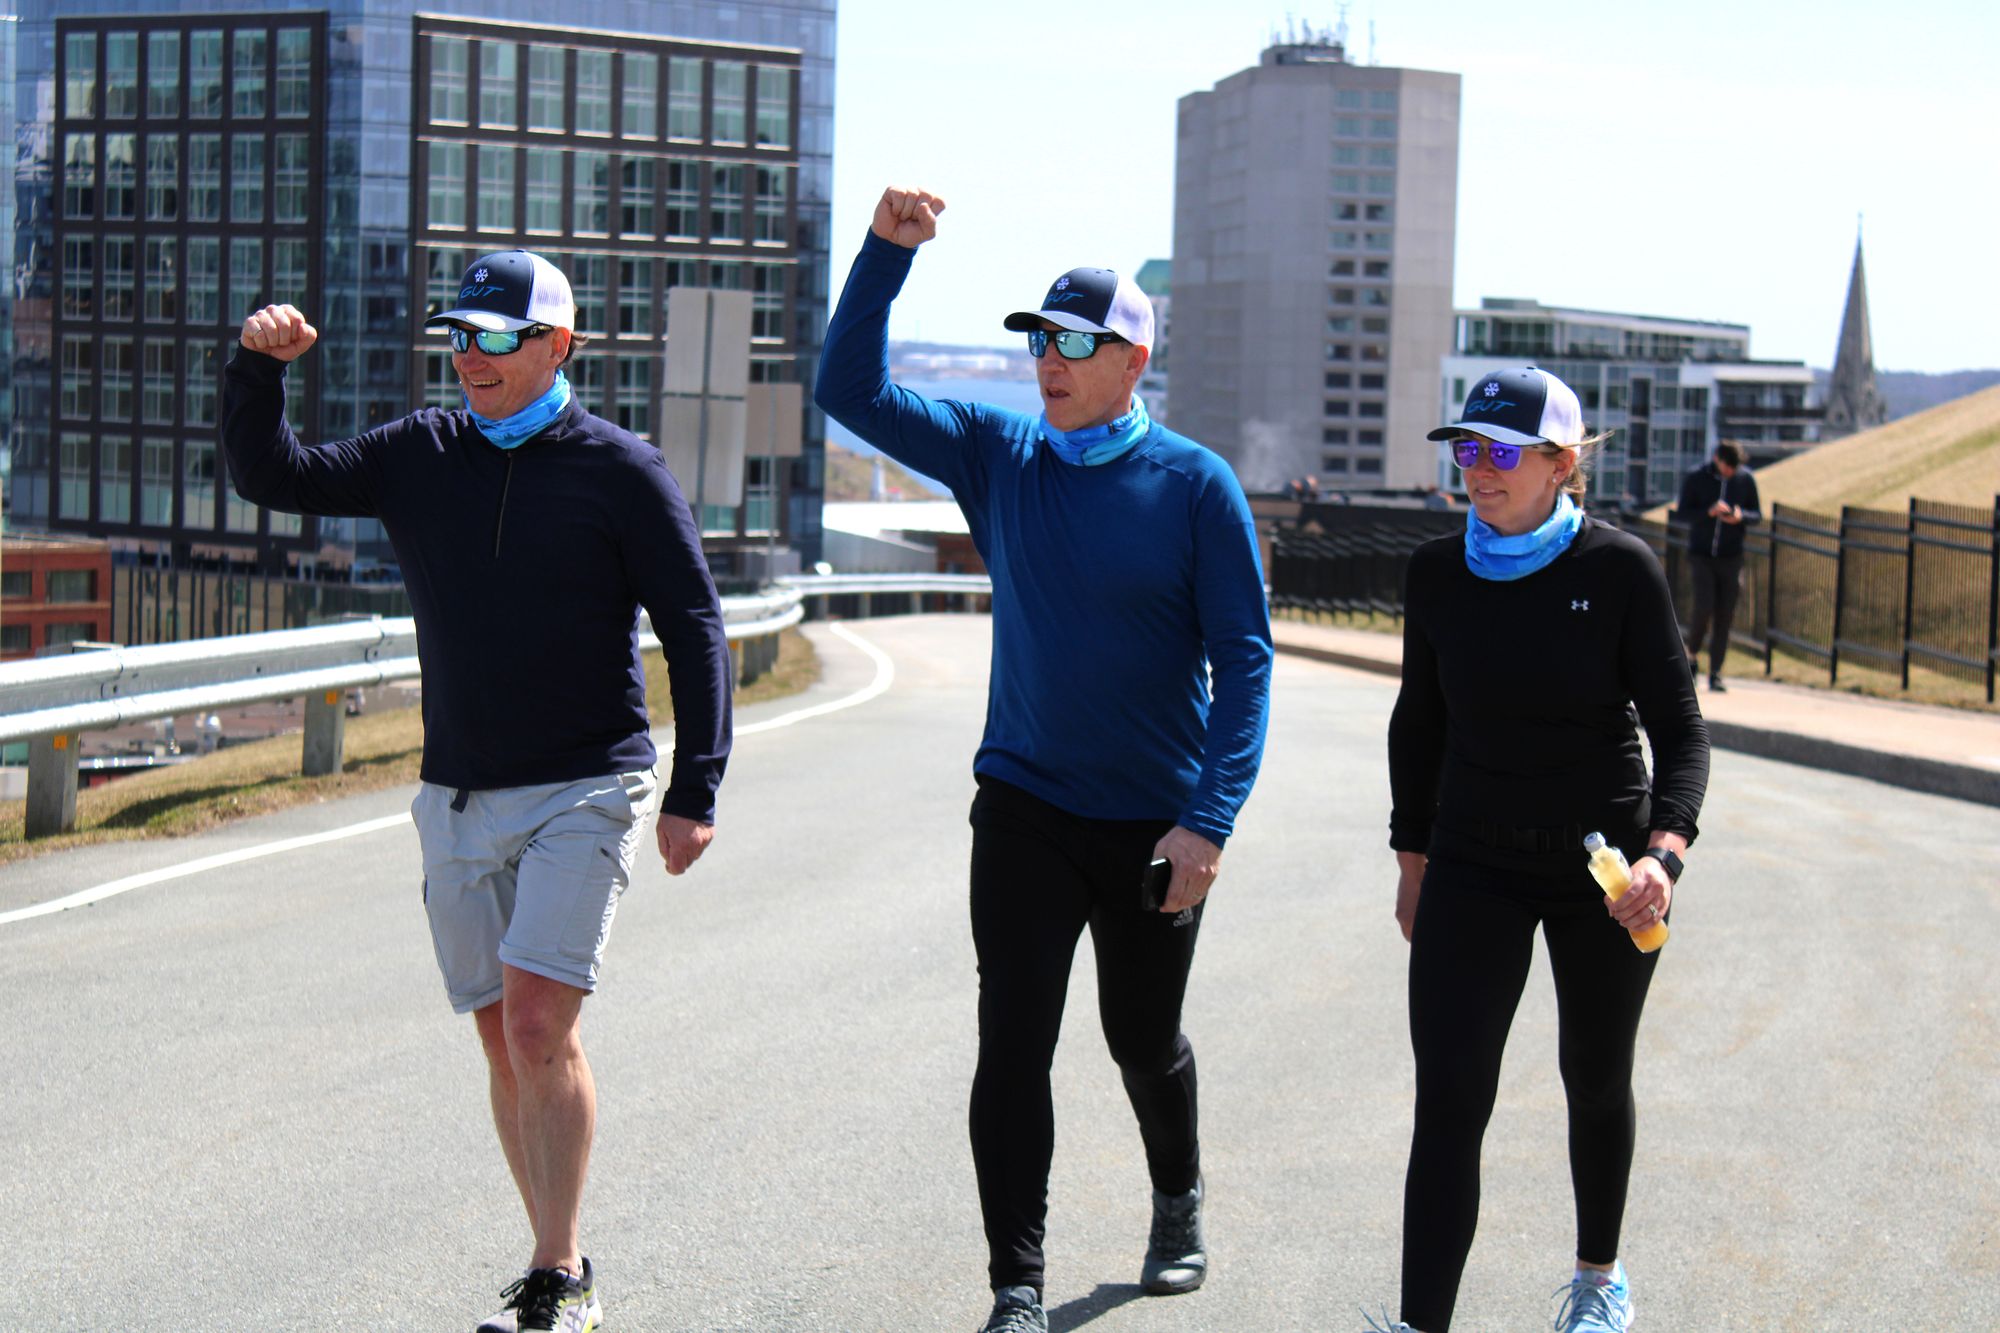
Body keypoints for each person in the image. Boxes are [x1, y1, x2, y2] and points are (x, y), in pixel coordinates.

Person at [222, 249, 733, 1333]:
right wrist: (257, 371)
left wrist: (698, 783)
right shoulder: (421, 451)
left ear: (559, 346)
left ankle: (559, 1272)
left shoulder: (621, 470)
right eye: (459, 335)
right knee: (505, 1037)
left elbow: (693, 624)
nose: (470, 357)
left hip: (585, 786)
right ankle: (555, 1254)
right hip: (456, 793)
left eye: (496, 339)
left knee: (542, 1020)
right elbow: (277, 477)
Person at [816, 188, 1273, 1333]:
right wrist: (884, 255)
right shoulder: (999, 453)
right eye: (1037, 340)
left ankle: (1177, 1195)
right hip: (1020, 803)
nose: (1047, 362)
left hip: (1152, 823)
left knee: (1138, 1035)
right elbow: (847, 390)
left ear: (1132, 360)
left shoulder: (1193, 485)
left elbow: (1246, 662)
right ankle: (1013, 1284)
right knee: (1012, 1037)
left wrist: (1207, 822)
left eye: (1074, 344)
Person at [1372, 368, 1710, 1333]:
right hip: (1472, 862)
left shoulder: (1619, 571)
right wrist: (1412, 859)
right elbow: (1418, 723)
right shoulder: (1436, 572)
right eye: (1465, 448)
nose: (1477, 470)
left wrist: (1664, 856)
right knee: (1450, 1098)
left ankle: (1599, 1282)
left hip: (1600, 871)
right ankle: (1419, 1323)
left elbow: (1682, 735)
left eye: (1501, 451)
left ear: (1563, 464)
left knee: (1596, 1076)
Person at [1673, 441, 1761, 691]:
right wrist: (1708, 513)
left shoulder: (1745, 480)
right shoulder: (1696, 477)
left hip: (1731, 556)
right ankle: (1691, 654)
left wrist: (1740, 516)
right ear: (1717, 459)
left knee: (1725, 612)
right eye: (1726, 467)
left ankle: (1716, 671)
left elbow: (1757, 514)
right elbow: (1682, 514)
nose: (1730, 473)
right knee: (1703, 606)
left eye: (1734, 469)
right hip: (1701, 555)